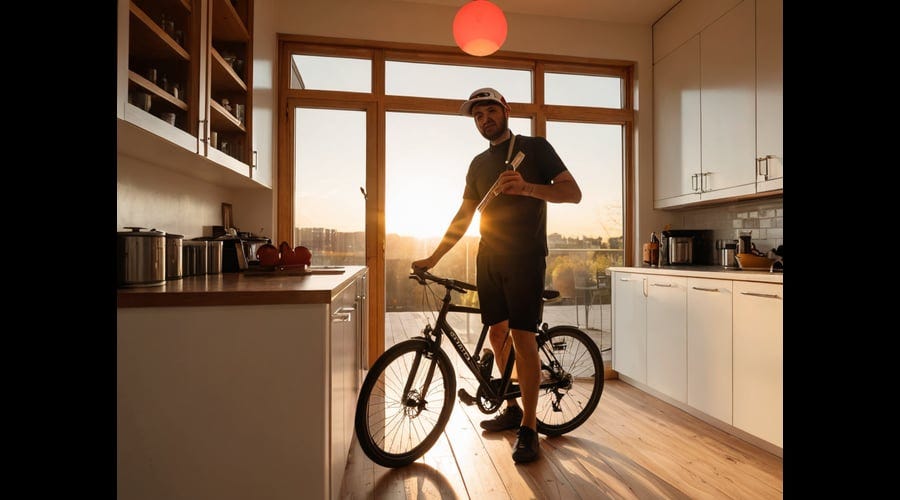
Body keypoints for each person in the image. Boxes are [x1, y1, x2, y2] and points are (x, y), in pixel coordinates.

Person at [412, 87, 582, 463]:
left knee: (523, 336)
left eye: (490, 111)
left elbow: (573, 193)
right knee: (496, 331)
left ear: (506, 111)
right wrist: (435, 256)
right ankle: (512, 408)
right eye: (478, 116)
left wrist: (527, 188)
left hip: (525, 256)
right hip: (489, 256)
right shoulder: (477, 164)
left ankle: (530, 428)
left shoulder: (535, 148)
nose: (484, 119)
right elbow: (464, 217)